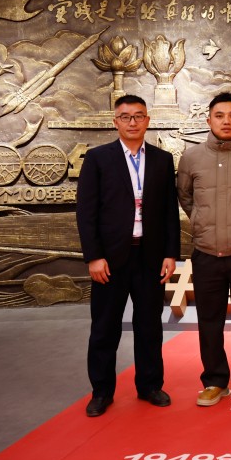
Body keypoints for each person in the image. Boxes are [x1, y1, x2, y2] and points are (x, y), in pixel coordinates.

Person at [76, 94, 179, 417]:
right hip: (110, 259)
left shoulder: (162, 159)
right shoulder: (98, 158)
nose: (132, 122)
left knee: (149, 326)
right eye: (125, 116)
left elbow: (169, 212)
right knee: (105, 328)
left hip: (150, 257)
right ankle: (101, 392)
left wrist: (170, 254)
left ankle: (150, 386)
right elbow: (86, 212)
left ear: (147, 120)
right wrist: (93, 256)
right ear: (115, 121)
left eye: (138, 116)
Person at [176, 92, 231, 407]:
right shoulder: (191, 157)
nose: (226, 121)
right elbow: (186, 197)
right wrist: (203, 223)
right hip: (206, 253)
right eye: (219, 115)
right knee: (209, 321)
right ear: (208, 120)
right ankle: (214, 380)